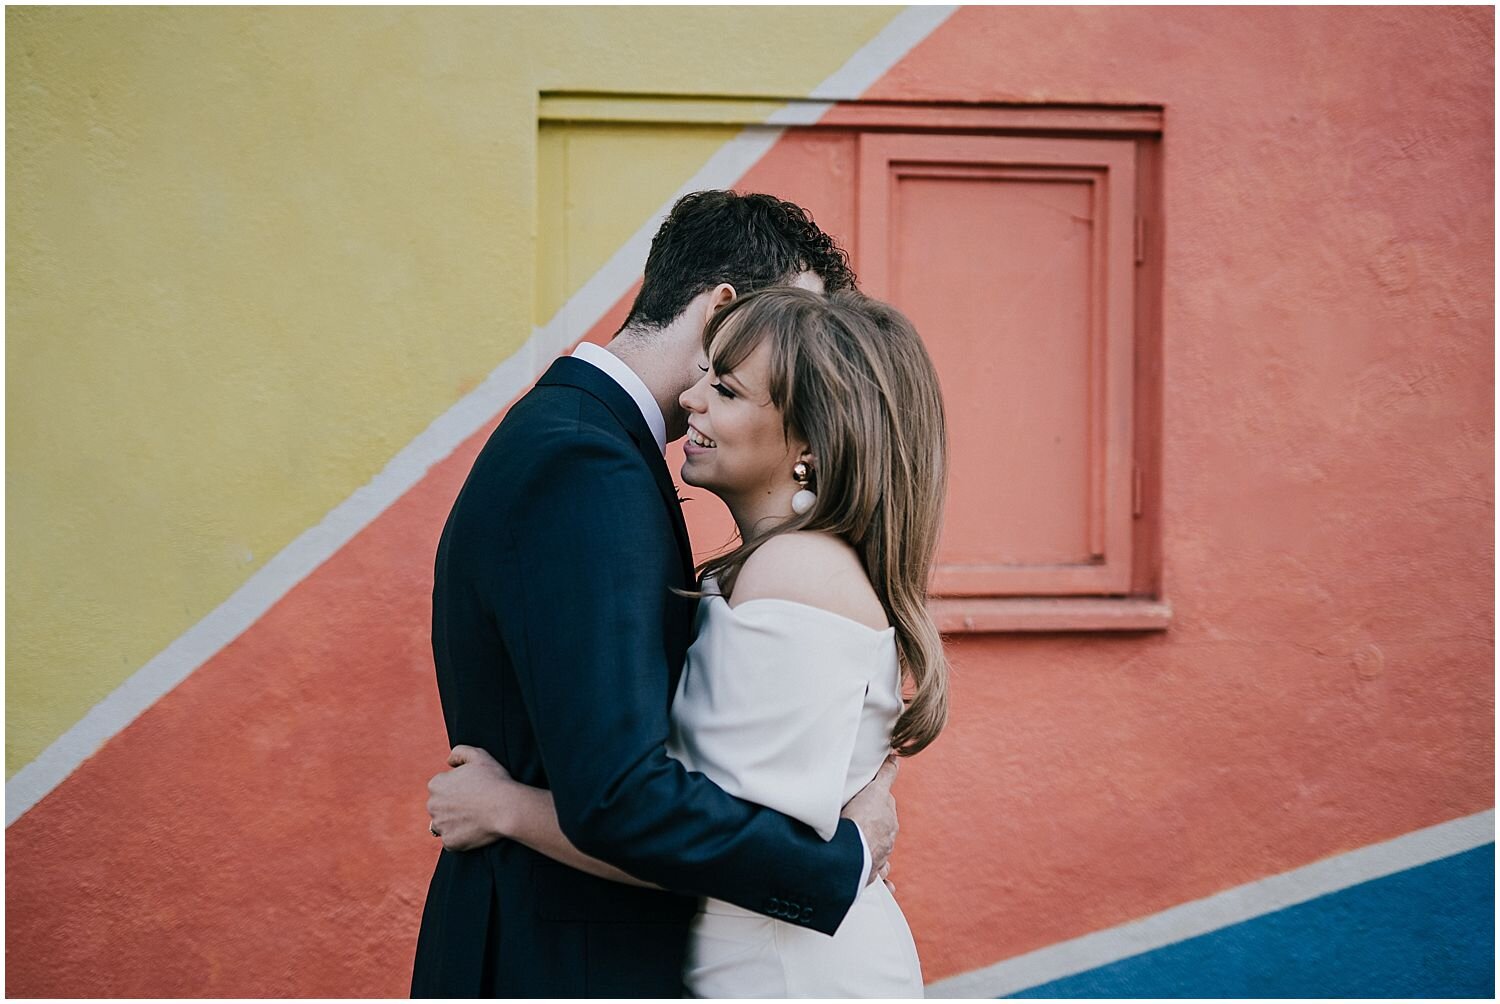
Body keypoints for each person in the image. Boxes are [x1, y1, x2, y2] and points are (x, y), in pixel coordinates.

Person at [410, 191, 904, 998]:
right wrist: (840, 862)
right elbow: (621, 795)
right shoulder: (583, 460)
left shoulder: (590, 443)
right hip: (557, 962)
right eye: (792, 332)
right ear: (724, 312)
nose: (810, 364)